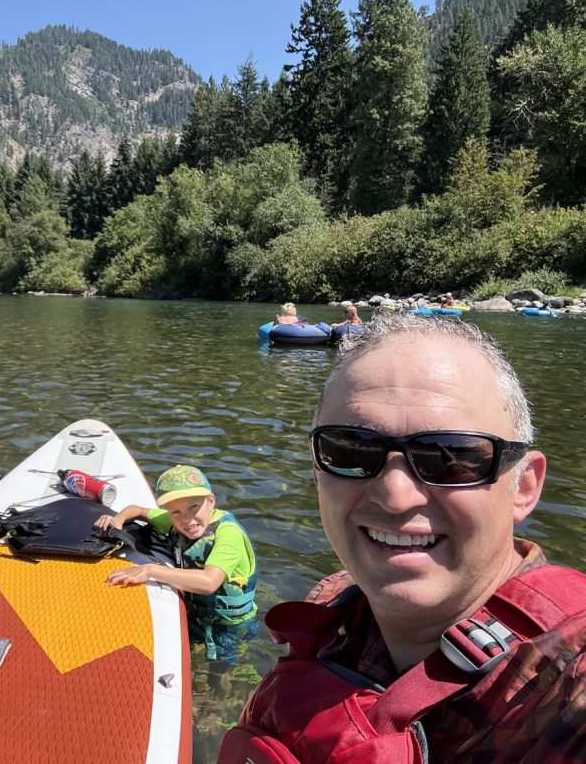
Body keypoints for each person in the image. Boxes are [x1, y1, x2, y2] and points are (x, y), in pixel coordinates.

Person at [218, 314, 586, 763]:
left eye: (450, 457)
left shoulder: (570, 686)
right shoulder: (335, 601)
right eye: (350, 449)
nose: (395, 495)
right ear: (317, 472)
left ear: (524, 487)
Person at [95, 465, 258, 690]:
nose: (187, 520)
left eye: (194, 507)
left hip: (230, 625)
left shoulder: (228, 534)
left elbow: (209, 582)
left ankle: (216, 702)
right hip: (196, 617)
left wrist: (150, 570)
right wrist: (118, 519)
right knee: (183, 661)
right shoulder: (174, 521)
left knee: (218, 675)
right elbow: (137, 510)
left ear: (211, 501)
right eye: (176, 512)